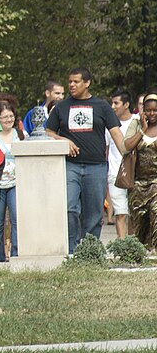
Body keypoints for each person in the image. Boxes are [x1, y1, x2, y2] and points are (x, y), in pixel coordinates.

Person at [45, 68, 126, 254]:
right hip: (70, 165)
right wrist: (63, 140)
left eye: (76, 82)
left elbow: (116, 134)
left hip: (96, 166)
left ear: (87, 83)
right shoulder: (61, 107)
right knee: (69, 207)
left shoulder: (102, 106)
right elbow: (48, 132)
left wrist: (127, 156)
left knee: (94, 213)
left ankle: (89, 251)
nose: (71, 85)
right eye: (70, 82)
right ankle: (72, 250)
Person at [0, 99, 23, 262]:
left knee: (17, 219)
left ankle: (16, 253)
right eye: (4, 117)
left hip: (16, 183)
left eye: (11, 116)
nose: (9, 120)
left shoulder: (21, 134)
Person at [125, 94, 157, 247]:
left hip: (156, 183)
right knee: (138, 224)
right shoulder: (136, 124)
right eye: (148, 110)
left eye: (155, 110)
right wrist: (143, 130)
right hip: (138, 183)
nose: (152, 114)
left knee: (156, 217)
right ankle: (139, 254)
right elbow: (127, 146)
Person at [107, 90, 138, 239]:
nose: (113, 106)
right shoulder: (109, 124)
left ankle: (135, 245)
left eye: (116, 103)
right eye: (111, 103)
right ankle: (122, 245)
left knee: (135, 213)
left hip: (135, 174)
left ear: (126, 104)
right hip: (115, 174)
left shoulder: (138, 121)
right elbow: (105, 151)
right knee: (120, 213)